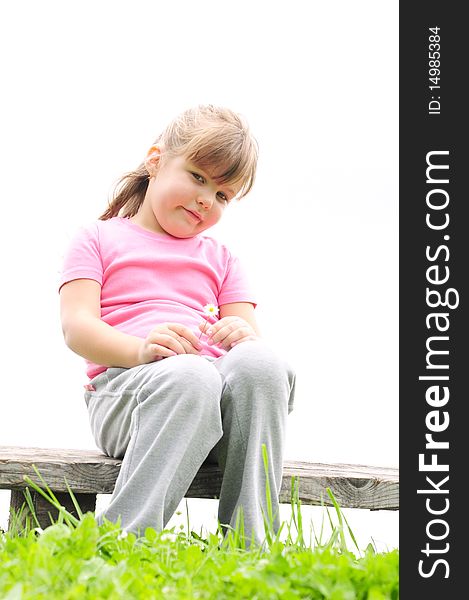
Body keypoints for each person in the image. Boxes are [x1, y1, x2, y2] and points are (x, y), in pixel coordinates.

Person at [59, 104, 295, 548]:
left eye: (223, 195)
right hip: (128, 394)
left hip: (215, 407)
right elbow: (78, 327)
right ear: (155, 161)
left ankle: (250, 546)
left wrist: (239, 335)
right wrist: (140, 350)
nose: (207, 199)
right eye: (198, 177)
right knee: (191, 375)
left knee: (262, 363)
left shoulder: (222, 259)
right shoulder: (99, 238)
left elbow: (247, 338)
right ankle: (124, 542)